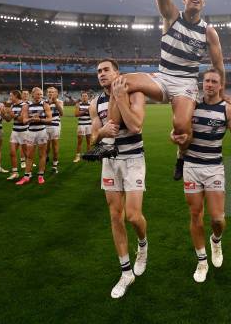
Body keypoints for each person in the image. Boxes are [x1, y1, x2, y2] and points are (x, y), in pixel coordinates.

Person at [105, 0, 226, 181]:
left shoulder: (209, 32)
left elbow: (218, 65)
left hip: (185, 84)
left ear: (203, 3)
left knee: (182, 128)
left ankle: (181, 156)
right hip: (163, 76)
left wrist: (220, 92)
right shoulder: (172, 16)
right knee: (121, 83)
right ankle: (109, 141)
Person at [174, 68, 231, 283]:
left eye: (214, 81)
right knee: (195, 215)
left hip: (214, 167)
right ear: (202, 83)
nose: (210, 85)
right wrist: (173, 137)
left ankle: (216, 240)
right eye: (207, 81)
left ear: (220, 85)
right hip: (191, 166)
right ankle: (202, 260)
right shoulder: (191, 105)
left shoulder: (228, 110)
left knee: (217, 218)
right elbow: (178, 130)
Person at [88, 59, 148, 299]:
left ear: (117, 73)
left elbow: (136, 125)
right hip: (109, 161)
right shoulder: (95, 103)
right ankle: (126, 272)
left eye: (106, 70)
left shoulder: (135, 93)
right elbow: (93, 138)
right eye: (99, 72)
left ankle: (142, 245)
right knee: (115, 216)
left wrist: (120, 99)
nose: (102, 74)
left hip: (133, 158)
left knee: (133, 215)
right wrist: (101, 132)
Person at [16, 87, 51, 185]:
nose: (39, 96)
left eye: (40, 94)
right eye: (37, 94)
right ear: (32, 95)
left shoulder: (45, 104)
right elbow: (24, 120)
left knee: (42, 155)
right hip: (31, 132)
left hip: (42, 132)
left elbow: (49, 119)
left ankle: (40, 175)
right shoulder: (26, 106)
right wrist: (32, 119)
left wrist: (40, 120)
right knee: (29, 155)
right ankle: (27, 176)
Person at [2, 90, 28, 181]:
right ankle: (15, 172)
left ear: (16, 96)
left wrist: (13, 115)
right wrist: (3, 113)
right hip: (15, 131)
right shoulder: (12, 106)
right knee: (12, 153)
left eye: (11, 96)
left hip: (24, 132)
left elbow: (23, 119)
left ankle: (28, 172)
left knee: (27, 154)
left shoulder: (24, 105)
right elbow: (8, 120)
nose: (10, 98)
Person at [46, 87, 63, 173]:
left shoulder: (59, 102)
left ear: (56, 93)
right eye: (49, 92)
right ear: (47, 93)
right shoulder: (44, 102)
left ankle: (55, 165)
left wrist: (55, 102)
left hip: (55, 125)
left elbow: (62, 113)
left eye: (52, 92)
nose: (51, 94)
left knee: (55, 145)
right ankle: (45, 157)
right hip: (45, 126)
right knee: (46, 146)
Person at [73, 91, 92, 163]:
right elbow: (76, 114)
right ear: (81, 97)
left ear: (88, 97)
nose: (84, 97)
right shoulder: (78, 104)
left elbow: (92, 114)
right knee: (79, 141)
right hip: (81, 124)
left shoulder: (91, 104)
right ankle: (77, 156)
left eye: (85, 96)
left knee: (89, 141)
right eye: (83, 96)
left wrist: (83, 112)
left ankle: (89, 156)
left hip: (89, 124)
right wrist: (86, 110)